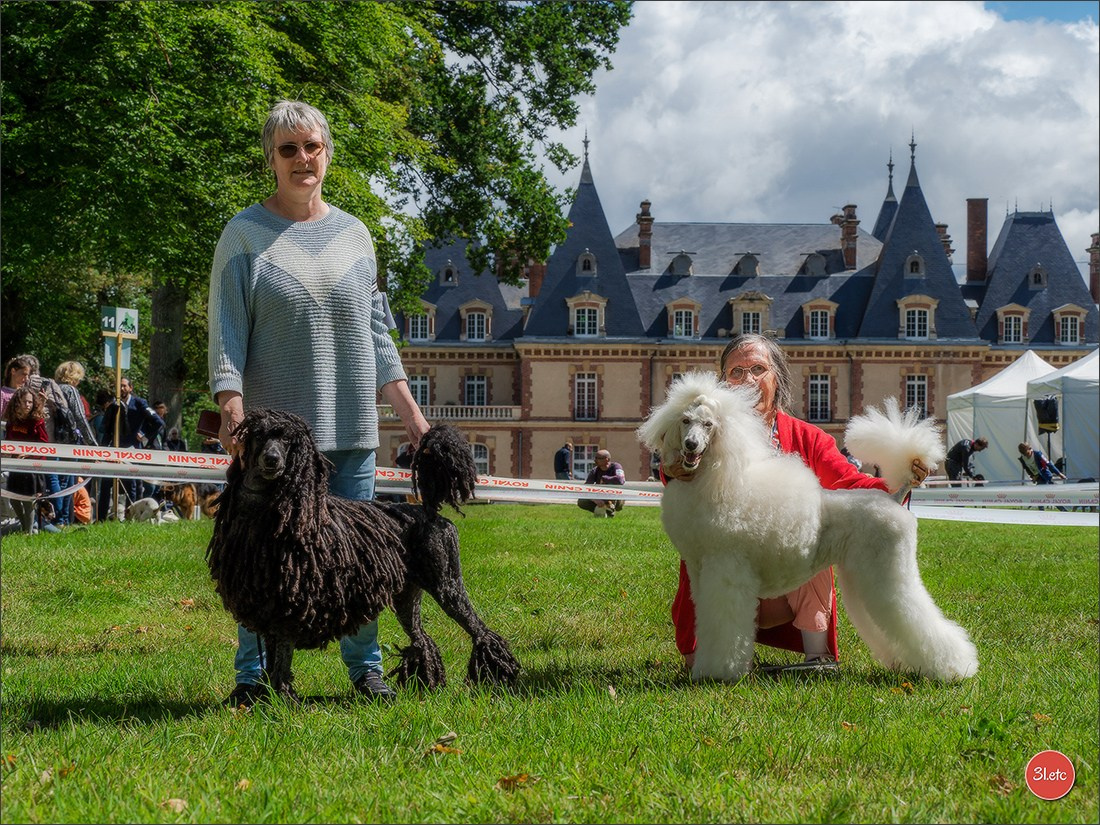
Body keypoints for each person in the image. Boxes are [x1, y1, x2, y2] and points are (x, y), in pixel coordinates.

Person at [208, 99, 430, 707]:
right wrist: (233, 412)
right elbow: (226, 335)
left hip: (352, 428)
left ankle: (367, 671)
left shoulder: (357, 236)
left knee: (356, 560)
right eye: (288, 149)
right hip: (275, 445)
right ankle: (252, 678)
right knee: (264, 561)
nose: (302, 158)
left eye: (312, 146)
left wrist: (411, 418)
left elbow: (377, 335)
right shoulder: (244, 235)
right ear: (271, 160)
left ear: (327, 153)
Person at [664, 333, 928, 674]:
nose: (748, 379)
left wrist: (902, 479)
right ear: (722, 383)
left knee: (812, 527)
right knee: (714, 567)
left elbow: (852, 485)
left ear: (777, 378)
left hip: (785, 585)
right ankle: (717, 654)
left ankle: (816, 657)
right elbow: (677, 470)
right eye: (736, 372)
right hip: (725, 574)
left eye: (759, 368)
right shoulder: (704, 437)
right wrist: (674, 467)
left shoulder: (808, 438)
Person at [103, 378, 165, 508]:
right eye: (119, 386)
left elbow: (158, 422)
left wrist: (145, 436)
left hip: (132, 449)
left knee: (132, 483)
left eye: (124, 386)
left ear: (130, 388)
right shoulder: (113, 405)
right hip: (114, 449)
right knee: (106, 482)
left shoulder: (139, 403)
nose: (121, 389)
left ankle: (132, 514)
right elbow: (107, 429)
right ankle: (102, 517)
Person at [52, 361, 99, 526]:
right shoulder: (71, 391)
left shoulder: (52, 388)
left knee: (57, 481)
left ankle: (58, 518)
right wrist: (93, 445)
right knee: (69, 483)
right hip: (69, 443)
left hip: (52, 442)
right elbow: (80, 418)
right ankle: (63, 519)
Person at [2, 386, 50, 533]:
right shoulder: (12, 421)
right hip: (16, 466)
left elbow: (44, 444)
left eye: (30, 402)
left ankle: (28, 533)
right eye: (24, 402)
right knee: (14, 498)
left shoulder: (37, 421)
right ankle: (24, 527)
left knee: (28, 501)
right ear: (17, 403)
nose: (27, 405)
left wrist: (29, 454)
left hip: (32, 467)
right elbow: (9, 440)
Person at [577, 449, 626, 517]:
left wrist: (605, 478)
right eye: (595, 458)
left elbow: (620, 480)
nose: (595, 460)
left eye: (598, 458)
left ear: (607, 459)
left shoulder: (616, 466)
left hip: (616, 496)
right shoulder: (595, 471)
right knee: (582, 501)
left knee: (613, 496)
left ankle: (610, 510)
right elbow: (586, 487)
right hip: (600, 496)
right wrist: (595, 499)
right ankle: (603, 512)